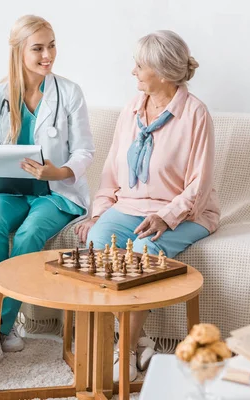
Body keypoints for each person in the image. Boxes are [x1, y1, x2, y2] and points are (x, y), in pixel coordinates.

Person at [74, 30, 220, 381]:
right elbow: (111, 170)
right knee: (98, 243)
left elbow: (198, 188)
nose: (133, 71)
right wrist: (99, 212)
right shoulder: (131, 109)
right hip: (129, 205)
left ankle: (122, 351)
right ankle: (138, 339)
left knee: (143, 250)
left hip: (185, 210)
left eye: (140, 65)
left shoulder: (195, 114)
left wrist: (166, 217)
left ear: (164, 72)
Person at [0, 15, 95, 359]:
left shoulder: (69, 92)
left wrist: (57, 172)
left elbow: (85, 150)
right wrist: (4, 168)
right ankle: (3, 324)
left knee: (29, 235)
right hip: (12, 190)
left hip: (56, 193)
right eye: (39, 48)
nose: (49, 55)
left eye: (52, 45)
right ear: (18, 51)